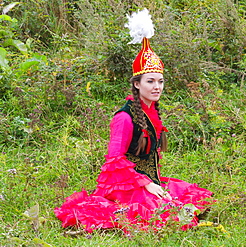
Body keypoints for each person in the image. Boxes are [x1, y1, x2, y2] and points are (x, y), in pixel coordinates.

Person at [54, 9, 214, 233]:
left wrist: (151, 181)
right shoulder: (124, 117)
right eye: (150, 81)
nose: (157, 87)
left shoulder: (151, 111)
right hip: (126, 185)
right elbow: (113, 160)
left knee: (189, 195)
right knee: (162, 213)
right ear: (137, 84)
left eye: (160, 81)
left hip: (149, 179)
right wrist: (145, 183)